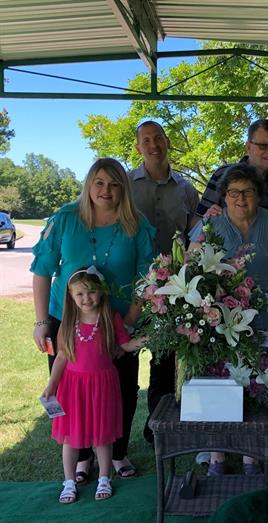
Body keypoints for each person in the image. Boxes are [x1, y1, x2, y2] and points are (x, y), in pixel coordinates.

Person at [31, 157, 155, 482]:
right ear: (89, 184)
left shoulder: (136, 224)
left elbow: (147, 274)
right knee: (72, 390)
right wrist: (42, 320)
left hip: (117, 322)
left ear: (124, 189)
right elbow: (43, 269)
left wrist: (130, 317)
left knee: (122, 389)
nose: (106, 190)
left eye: (114, 184)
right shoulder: (65, 218)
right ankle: (82, 458)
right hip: (67, 320)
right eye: (99, 182)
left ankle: (118, 453)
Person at [189, 163, 268, 476]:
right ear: (224, 196)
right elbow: (191, 263)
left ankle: (251, 454)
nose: (241, 198)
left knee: (260, 378)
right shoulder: (211, 224)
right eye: (234, 192)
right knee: (221, 378)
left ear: (258, 195)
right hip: (221, 311)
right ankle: (217, 454)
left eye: (248, 192)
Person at [42, 268, 146, 503]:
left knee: (103, 435)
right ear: (70, 296)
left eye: (91, 292)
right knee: (70, 436)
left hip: (102, 385)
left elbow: (126, 345)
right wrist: (52, 385)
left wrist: (148, 339)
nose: (86, 298)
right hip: (73, 387)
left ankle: (104, 478)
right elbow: (61, 357)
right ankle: (68, 482)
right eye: (79, 294)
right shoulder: (68, 322)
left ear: (100, 293)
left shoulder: (110, 318)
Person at [128, 120, 200, 445]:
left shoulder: (186, 189)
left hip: (172, 291)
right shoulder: (126, 185)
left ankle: (157, 430)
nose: (154, 144)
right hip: (129, 288)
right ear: (138, 146)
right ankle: (115, 438)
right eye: (146, 140)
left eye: (158, 138)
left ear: (167, 141)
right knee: (125, 361)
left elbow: (194, 235)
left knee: (164, 363)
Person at [196, 118, 268, 218]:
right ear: (248, 147)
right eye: (263, 145)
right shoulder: (223, 173)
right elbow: (198, 219)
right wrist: (207, 218)